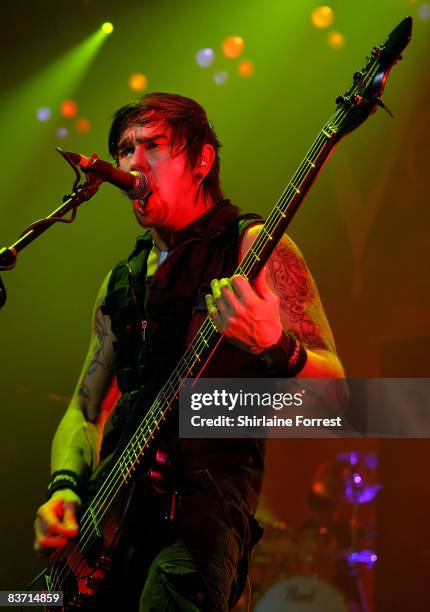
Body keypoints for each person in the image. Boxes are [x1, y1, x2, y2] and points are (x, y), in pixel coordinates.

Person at [33, 92, 344, 611]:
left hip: (198, 524)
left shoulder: (253, 249)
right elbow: (85, 410)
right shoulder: (121, 280)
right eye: (123, 148)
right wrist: (63, 488)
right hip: (104, 530)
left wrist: (276, 345)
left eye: (151, 145)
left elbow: (340, 399)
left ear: (201, 161)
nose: (131, 161)